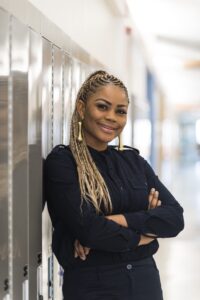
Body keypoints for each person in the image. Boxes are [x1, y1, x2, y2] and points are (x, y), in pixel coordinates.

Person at [44, 70, 184, 300]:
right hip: (93, 285)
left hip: (145, 281)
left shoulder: (134, 162)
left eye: (120, 111)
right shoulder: (64, 162)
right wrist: (143, 235)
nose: (112, 117)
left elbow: (174, 218)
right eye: (102, 106)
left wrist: (115, 221)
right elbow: (89, 230)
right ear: (81, 108)